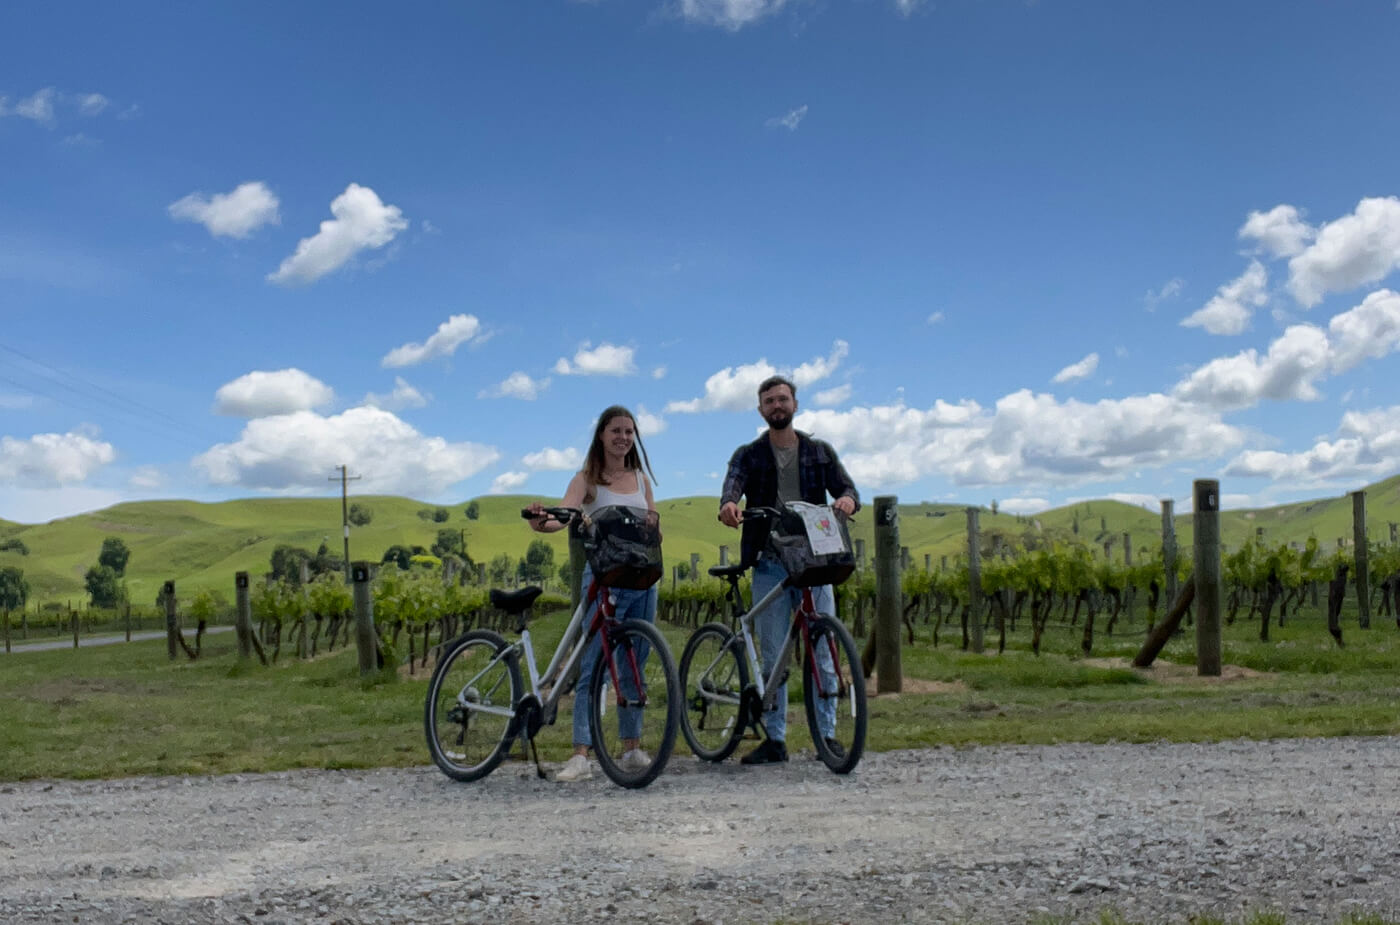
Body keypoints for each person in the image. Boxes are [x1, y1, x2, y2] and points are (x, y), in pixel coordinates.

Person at [719, 375, 859, 765]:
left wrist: (846, 501)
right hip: (769, 562)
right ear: (761, 410)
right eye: (769, 401)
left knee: (825, 650)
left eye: (782, 399)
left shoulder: (819, 451)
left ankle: (826, 735)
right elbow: (733, 484)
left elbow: (848, 489)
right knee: (774, 655)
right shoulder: (749, 454)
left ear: (795, 405)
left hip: (816, 560)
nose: (777, 405)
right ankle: (775, 739)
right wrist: (730, 504)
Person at [526, 405, 660, 782]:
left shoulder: (641, 481)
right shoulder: (587, 479)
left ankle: (631, 747)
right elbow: (563, 515)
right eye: (616, 431)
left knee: (636, 663)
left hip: (642, 578)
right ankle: (581, 754)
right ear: (601, 434)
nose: (623, 438)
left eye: (629, 432)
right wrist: (543, 522)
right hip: (603, 576)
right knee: (593, 664)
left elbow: (653, 524)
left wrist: (653, 529)